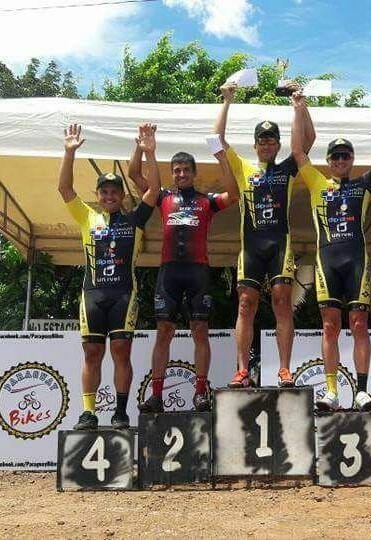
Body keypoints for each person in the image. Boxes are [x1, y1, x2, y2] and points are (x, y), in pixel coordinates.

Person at [292, 89, 371, 411]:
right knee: (329, 325)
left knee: (360, 324)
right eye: (335, 156)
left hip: (355, 260)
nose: (339, 160)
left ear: (351, 160)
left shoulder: (362, 184)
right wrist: (299, 108)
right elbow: (297, 151)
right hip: (327, 260)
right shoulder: (316, 182)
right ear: (328, 161)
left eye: (345, 156)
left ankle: (362, 390)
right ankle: (331, 391)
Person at [58, 123, 160, 430]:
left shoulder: (135, 219)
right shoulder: (87, 216)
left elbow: (154, 190)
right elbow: (65, 189)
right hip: (92, 295)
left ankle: (120, 412)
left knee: (120, 352)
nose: (110, 195)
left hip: (124, 296)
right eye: (105, 191)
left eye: (115, 191)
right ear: (99, 195)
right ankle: (88, 412)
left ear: (121, 195)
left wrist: (149, 153)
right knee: (92, 352)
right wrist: (69, 152)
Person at [214, 81, 315, 388]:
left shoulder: (287, 168)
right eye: (263, 141)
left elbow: (308, 140)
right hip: (251, 248)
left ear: (278, 145)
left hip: (280, 246)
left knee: (282, 304)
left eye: (272, 141)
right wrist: (227, 101)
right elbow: (216, 140)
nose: (267, 145)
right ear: (256, 144)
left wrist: (300, 106)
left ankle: (285, 370)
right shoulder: (244, 169)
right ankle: (242, 370)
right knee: (246, 304)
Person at [131, 130, 239, 412]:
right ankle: (156, 396)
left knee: (200, 330)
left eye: (185, 170)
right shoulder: (162, 196)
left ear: (194, 173)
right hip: (169, 272)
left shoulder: (207, 200)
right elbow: (133, 174)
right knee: (163, 331)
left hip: (198, 272)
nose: (180, 174)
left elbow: (235, 195)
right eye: (176, 170)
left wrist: (222, 159)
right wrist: (143, 149)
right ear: (172, 174)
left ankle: (201, 392)